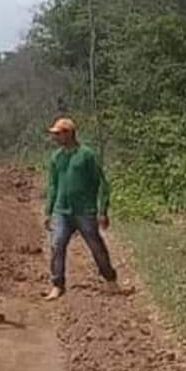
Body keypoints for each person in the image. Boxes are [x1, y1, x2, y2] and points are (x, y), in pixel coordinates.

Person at [43, 117, 119, 301]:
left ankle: (110, 279)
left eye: (58, 134)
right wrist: (48, 211)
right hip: (62, 210)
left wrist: (103, 210)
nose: (55, 137)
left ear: (69, 133)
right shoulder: (56, 157)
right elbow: (53, 185)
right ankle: (57, 284)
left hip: (84, 210)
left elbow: (101, 184)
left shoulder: (87, 155)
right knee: (57, 245)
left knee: (96, 246)